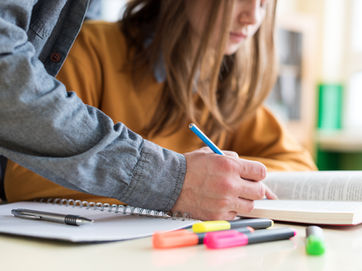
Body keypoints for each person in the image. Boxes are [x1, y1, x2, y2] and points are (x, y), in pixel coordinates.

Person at [2, 0, 316, 219]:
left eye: (264, 4)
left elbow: (301, 166)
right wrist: (177, 173)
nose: (252, 18)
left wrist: (220, 179)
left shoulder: (221, 85)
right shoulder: (90, 49)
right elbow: (26, 179)